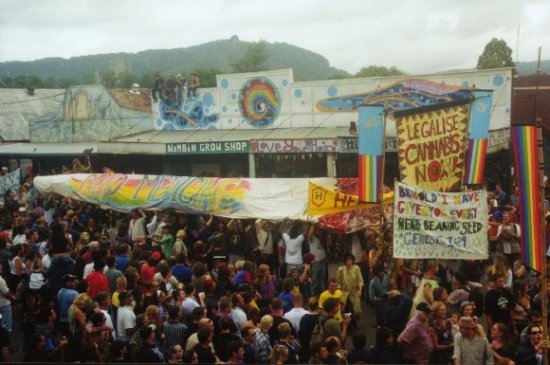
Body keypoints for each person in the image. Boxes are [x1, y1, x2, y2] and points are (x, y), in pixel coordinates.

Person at [337, 252, 364, 320]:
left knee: (355, 309)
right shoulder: (341, 269)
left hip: (354, 292)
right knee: (344, 309)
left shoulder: (356, 268)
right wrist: (339, 291)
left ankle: (354, 321)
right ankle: (346, 322)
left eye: (350, 259)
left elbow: (360, 280)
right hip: (344, 292)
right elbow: (338, 282)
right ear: (345, 261)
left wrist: (360, 290)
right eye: (347, 260)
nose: (349, 261)